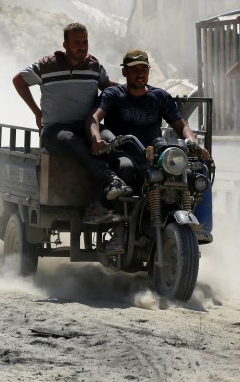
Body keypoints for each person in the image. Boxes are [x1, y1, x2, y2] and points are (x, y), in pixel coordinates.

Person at [88, 49, 209, 251]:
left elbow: (181, 125)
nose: (140, 73)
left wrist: (192, 142)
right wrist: (97, 138)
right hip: (123, 151)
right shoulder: (114, 94)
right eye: (134, 69)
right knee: (124, 168)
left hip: (154, 154)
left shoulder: (159, 96)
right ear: (125, 72)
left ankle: (189, 223)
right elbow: (94, 118)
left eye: (144, 68)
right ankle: (118, 229)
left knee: (189, 173)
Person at [13, 23, 129, 216]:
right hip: (55, 131)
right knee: (70, 141)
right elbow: (18, 81)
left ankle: (101, 203)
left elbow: (108, 87)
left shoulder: (93, 66)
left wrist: (135, 89)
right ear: (65, 44)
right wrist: (37, 113)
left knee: (113, 141)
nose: (82, 47)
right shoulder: (46, 65)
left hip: (88, 127)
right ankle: (110, 179)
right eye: (76, 43)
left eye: (85, 42)